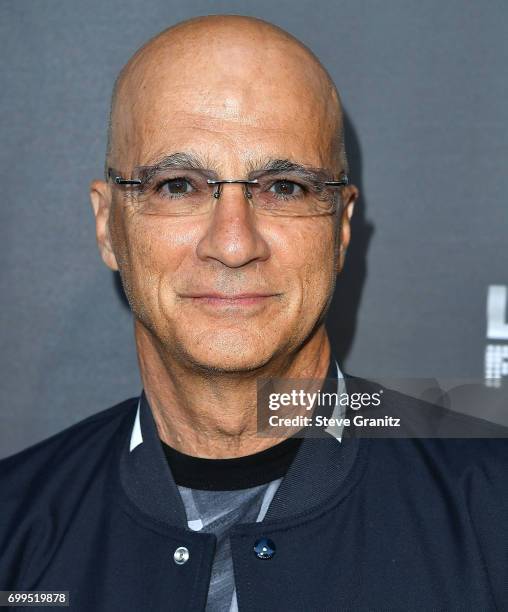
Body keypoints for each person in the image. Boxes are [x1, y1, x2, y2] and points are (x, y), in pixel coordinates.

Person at [1, 15, 507, 612]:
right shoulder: (15, 528)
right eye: (178, 185)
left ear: (342, 227)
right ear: (109, 223)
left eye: (285, 187)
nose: (234, 244)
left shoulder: (492, 510)